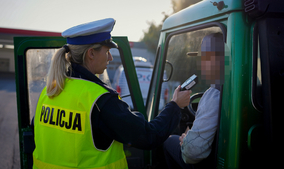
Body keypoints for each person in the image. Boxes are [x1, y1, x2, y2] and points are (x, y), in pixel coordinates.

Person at [32, 18, 191, 169]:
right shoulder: (100, 100)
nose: (109, 57)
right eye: (107, 51)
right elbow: (149, 136)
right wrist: (175, 105)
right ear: (91, 54)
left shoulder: (49, 92)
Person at [163, 33, 224, 169]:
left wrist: (186, 141)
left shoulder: (214, 95)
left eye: (205, 58)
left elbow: (192, 154)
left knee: (168, 141)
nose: (202, 64)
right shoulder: (248, 84)